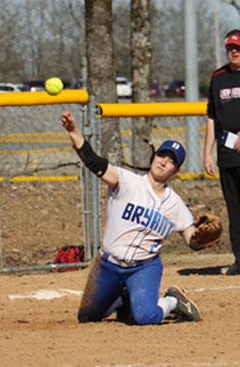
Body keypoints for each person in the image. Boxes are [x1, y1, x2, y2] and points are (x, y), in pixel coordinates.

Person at [60, 111, 200, 325]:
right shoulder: (127, 182)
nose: (164, 162)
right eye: (162, 155)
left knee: (146, 317)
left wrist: (202, 239)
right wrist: (74, 132)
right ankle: (125, 300)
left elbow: (193, 239)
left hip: (143, 267)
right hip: (108, 265)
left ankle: (172, 301)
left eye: (171, 161)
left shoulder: (175, 205)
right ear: (154, 156)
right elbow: (95, 163)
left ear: (176, 170)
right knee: (87, 318)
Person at [204, 29, 240, 276]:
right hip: (227, 154)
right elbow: (211, 117)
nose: (234, 51)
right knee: (234, 210)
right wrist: (206, 152)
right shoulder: (218, 77)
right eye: (230, 48)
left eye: (237, 47)